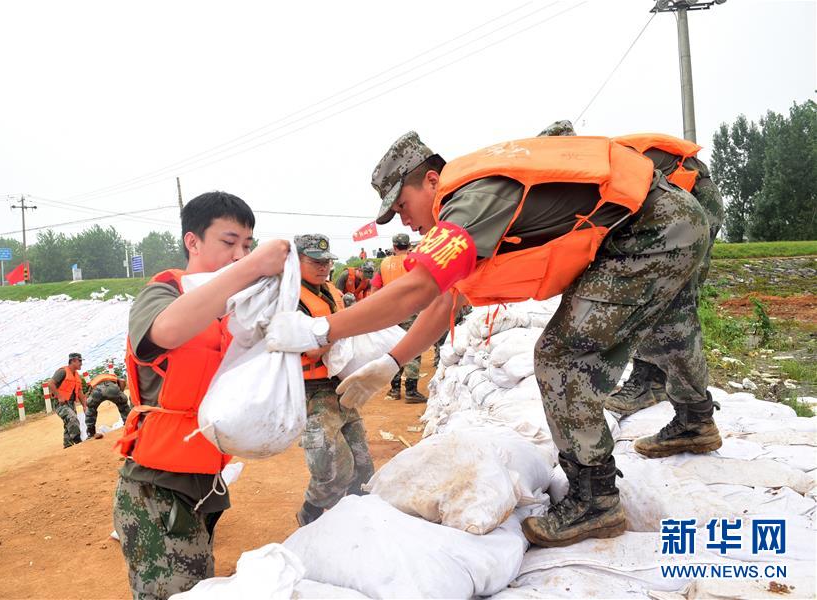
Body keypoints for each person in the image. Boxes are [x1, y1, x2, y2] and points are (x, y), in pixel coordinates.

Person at [266, 131, 720, 548]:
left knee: (561, 357)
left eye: (401, 205)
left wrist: (322, 329)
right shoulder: (471, 212)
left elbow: (420, 287)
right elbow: (444, 298)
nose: (401, 219)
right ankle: (696, 421)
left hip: (650, 230)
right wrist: (392, 361)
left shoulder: (469, 202)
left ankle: (594, 499)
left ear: (429, 180)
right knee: (669, 330)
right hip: (667, 221)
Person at [113, 191, 289, 599]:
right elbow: (165, 332)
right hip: (156, 487)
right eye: (229, 243)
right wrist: (251, 269)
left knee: (199, 584)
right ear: (193, 241)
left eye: (247, 246)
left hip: (204, 482)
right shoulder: (164, 292)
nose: (239, 255)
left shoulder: (238, 309)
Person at [537, 121, 725, 417]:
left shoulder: (602, 163)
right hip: (670, 209)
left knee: (671, 296)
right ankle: (651, 380)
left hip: (696, 202)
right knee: (645, 292)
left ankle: (664, 391)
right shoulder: (589, 165)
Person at [294, 234, 375, 526]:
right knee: (333, 470)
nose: (324, 266)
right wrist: (344, 331)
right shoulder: (291, 299)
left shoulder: (329, 290)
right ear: (296, 261)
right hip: (311, 392)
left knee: (363, 468)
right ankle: (309, 515)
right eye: (315, 261)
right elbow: (311, 350)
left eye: (327, 261)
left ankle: (356, 525)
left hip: (339, 386)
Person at [371, 232, 427, 403]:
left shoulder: (384, 264)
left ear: (394, 247)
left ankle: (394, 390)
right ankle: (411, 391)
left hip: (390, 314)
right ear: (409, 246)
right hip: (411, 310)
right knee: (413, 349)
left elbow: (374, 291)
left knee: (393, 349)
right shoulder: (415, 261)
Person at [49, 352, 87, 448]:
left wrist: (85, 406)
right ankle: (78, 441)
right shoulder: (63, 372)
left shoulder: (77, 376)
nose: (81, 363)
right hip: (61, 404)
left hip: (71, 404)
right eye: (80, 361)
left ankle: (68, 446)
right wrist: (59, 396)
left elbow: (80, 392)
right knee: (72, 419)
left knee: (68, 425)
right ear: (73, 361)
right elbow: (51, 384)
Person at [85, 372, 131, 439]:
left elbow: (89, 392)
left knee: (91, 410)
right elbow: (122, 381)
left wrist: (89, 404)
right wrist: (121, 394)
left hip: (97, 389)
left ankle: (91, 433)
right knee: (123, 406)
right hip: (112, 387)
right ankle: (129, 424)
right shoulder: (112, 376)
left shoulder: (94, 380)